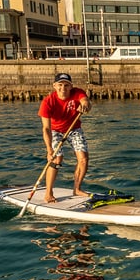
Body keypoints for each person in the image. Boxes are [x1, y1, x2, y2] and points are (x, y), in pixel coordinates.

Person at [38, 73, 92, 202]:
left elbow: (86, 101)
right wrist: (49, 150)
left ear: (71, 86)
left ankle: (77, 189)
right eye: (60, 85)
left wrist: (85, 106)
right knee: (57, 158)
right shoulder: (47, 102)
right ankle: (48, 193)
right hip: (55, 130)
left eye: (66, 85)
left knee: (83, 159)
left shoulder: (77, 92)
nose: (63, 88)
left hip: (74, 129)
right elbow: (46, 129)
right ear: (54, 86)